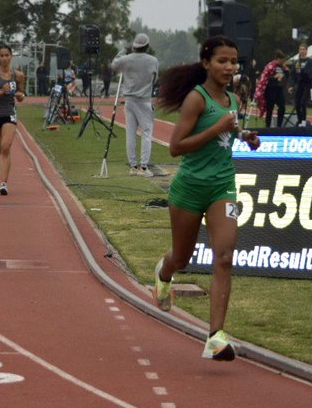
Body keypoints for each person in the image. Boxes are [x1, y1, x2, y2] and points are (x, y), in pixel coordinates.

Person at [152, 36, 261, 361]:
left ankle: (215, 337)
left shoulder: (231, 99)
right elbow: (176, 147)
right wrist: (217, 130)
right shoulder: (196, 100)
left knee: (224, 256)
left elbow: (226, 132)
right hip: (189, 189)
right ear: (206, 63)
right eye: (222, 61)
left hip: (222, 186)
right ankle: (164, 273)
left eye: (234, 61)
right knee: (183, 259)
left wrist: (244, 137)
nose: (230, 67)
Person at [111, 32, 160, 177]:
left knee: (130, 134)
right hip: (144, 100)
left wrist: (123, 50)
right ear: (147, 46)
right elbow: (155, 79)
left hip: (129, 100)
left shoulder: (126, 59)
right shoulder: (153, 60)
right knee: (146, 133)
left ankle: (133, 166)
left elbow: (113, 65)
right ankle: (144, 167)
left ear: (134, 46)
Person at [0, 44, 27, 196]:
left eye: (7, 55)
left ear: (11, 56)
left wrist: (21, 96)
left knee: (6, 147)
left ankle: (3, 184)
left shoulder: (19, 75)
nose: (4, 58)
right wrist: (1, 92)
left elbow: (21, 95)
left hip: (9, 114)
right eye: (1, 56)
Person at [254, 51, 287, 127]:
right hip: (271, 90)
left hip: (279, 90)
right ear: (278, 59)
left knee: (282, 107)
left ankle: (279, 126)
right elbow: (264, 78)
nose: (283, 62)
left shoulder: (283, 67)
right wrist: (274, 77)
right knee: (270, 109)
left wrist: (286, 72)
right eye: (282, 60)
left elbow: (286, 77)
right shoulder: (270, 66)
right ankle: (267, 126)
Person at [292, 42, 312, 126]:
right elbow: (293, 74)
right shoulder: (297, 62)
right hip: (299, 85)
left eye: (303, 49)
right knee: (297, 103)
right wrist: (291, 85)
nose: (302, 51)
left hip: (307, 84)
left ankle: (303, 121)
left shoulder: (310, 61)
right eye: (300, 49)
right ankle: (300, 121)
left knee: (303, 103)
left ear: (306, 51)